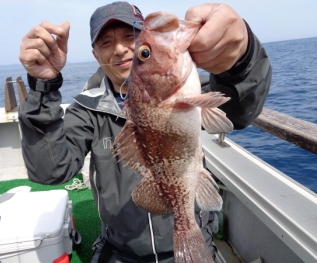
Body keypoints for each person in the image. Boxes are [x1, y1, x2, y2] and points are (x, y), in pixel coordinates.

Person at [18, 1, 271, 262]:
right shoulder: (86, 110)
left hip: (197, 238)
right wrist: (43, 87)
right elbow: (51, 171)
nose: (119, 48)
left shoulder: (186, 91)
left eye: (133, 38)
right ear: (95, 55)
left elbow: (239, 110)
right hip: (119, 253)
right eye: (106, 42)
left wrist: (242, 57)